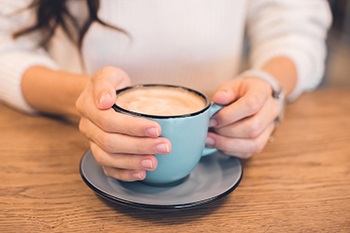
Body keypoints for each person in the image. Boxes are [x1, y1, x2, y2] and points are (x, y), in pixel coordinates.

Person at [0, 0, 332, 181]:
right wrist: (81, 96)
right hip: (68, 151)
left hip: (228, 156)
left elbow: (295, 27)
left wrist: (267, 87)